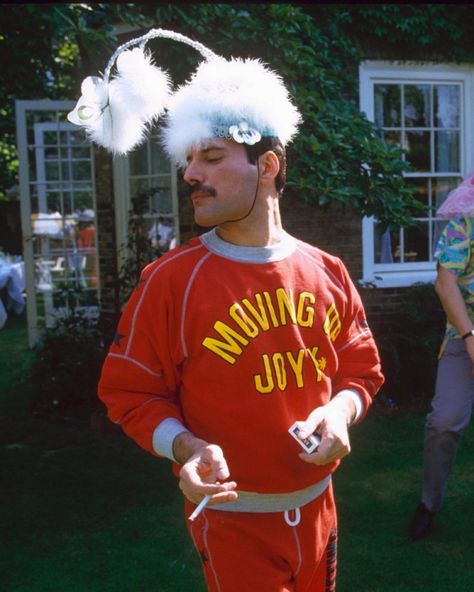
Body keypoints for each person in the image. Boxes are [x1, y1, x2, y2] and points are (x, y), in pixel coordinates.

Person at [69, 29, 384, 591]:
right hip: (233, 521)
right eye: (190, 160)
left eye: (212, 158)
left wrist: (338, 415)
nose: (191, 174)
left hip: (320, 511)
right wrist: (185, 446)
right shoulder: (170, 282)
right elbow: (129, 394)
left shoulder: (328, 271)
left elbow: (359, 370)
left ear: (267, 165)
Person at [409, 181, 474, 541]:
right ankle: (429, 503)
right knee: (444, 422)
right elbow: (445, 283)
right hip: (463, 338)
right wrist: (469, 338)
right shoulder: (464, 225)